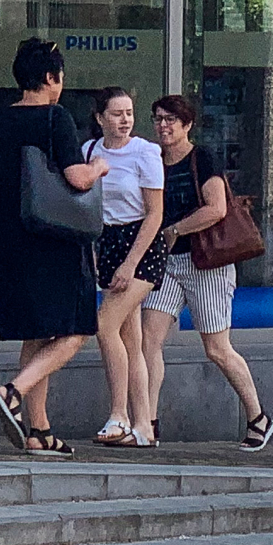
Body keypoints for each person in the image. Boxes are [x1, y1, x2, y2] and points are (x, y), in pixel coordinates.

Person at [0, 38, 105, 456]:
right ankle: (12, 392)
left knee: (35, 331)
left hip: (8, 242)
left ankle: (38, 430)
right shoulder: (56, 117)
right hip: (54, 242)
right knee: (77, 330)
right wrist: (99, 166)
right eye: (60, 76)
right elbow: (77, 178)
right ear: (50, 77)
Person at [141, 92, 273, 451]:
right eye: (157, 119)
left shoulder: (203, 158)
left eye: (170, 119)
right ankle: (148, 423)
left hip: (207, 263)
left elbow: (215, 209)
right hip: (166, 263)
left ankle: (258, 417)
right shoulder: (153, 160)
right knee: (148, 341)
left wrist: (174, 230)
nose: (163, 126)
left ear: (187, 125)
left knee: (217, 348)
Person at [81, 89, 166, 447]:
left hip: (141, 246)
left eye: (129, 113)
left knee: (105, 326)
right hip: (108, 240)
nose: (125, 120)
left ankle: (119, 414)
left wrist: (130, 264)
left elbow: (155, 213)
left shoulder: (145, 152)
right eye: (116, 114)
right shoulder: (89, 151)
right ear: (100, 118)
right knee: (130, 340)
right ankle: (143, 424)